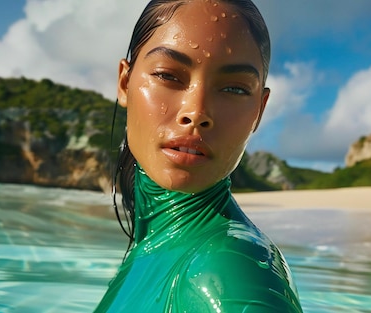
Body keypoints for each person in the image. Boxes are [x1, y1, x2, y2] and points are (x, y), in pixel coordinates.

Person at [96, 0, 303, 312]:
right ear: (125, 82)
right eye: (168, 76)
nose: (196, 113)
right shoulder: (158, 247)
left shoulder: (227, 271)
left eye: (234, 89)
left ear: (259, 110)